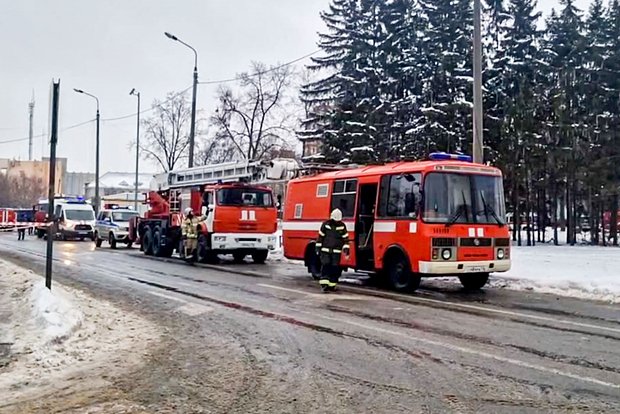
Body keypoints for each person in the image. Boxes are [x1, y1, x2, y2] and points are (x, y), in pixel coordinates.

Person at [316, 208, 350, 292]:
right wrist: (318, 249)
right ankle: (324, 285)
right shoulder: (325, 224)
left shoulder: (342, 226)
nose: (337, 222)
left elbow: (345, 239)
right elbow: (320, 237)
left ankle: (332, 285)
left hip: (336, 252)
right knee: (326, 266)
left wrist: (346, 249)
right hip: (325, 251)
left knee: (335, 268)